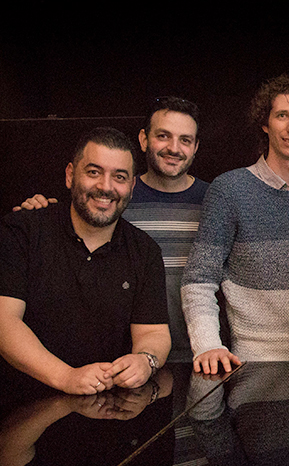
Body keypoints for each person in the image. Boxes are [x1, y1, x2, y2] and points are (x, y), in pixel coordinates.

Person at [12, 97, 207, 363]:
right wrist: (39, 213)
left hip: (197, 354)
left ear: (196, 146)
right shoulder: (109, 198)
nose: (174, 148)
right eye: (163, 135)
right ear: (143, 139)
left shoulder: (215, 201)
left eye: (185, 140)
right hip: (120, 359)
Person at [182, 75, 289, 373]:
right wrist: (207, 345)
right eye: (282, 115)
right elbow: (199, 280)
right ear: (265, 124)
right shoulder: (229, 190)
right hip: (251, 364)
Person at [0, 127, 170, 395]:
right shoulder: (22, 231)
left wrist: (145, 361)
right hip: (24, 406)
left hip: (110, 408)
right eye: (93, 172)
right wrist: (66, 377)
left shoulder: (145, 250)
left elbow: (154, 332)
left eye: (119, 177)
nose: (105, 186)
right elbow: (4, 322)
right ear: (70, 175)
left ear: (132, 186)